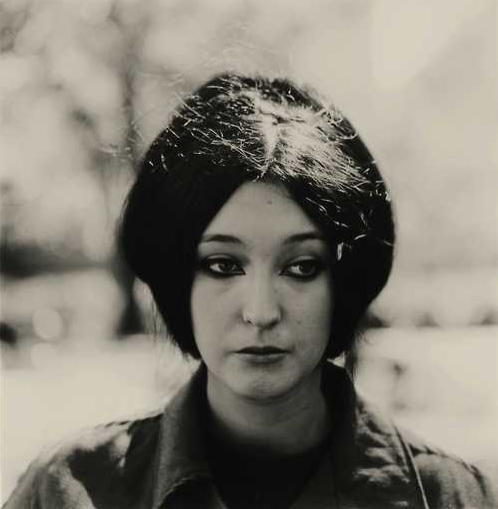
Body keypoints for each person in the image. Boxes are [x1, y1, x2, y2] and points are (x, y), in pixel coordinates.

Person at [4, 74, 497, 509]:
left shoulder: (452, 498)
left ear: (344, 283)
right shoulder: (67, 491)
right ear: (178, 278)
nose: (261, 312)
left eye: (302, 268)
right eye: (222, 265)